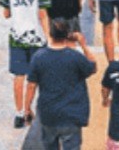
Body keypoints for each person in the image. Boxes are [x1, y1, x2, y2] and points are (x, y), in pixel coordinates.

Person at [25, 19, 97, 150]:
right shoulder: (76, 57)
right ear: (67, 35)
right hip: (72, 114)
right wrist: (83, 45)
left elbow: (31, 85)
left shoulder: (39, 57)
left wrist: (27, 108)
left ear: (50, 34)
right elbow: (93, 67)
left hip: (49, 114)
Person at [2, 0, 52, 129]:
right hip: (36, 38)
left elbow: (6, 13)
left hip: (16, 35)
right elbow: (42, 15)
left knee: (18, 75)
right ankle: (30, 108)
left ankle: (19, 113)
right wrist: (49, 38)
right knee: (35, 77)